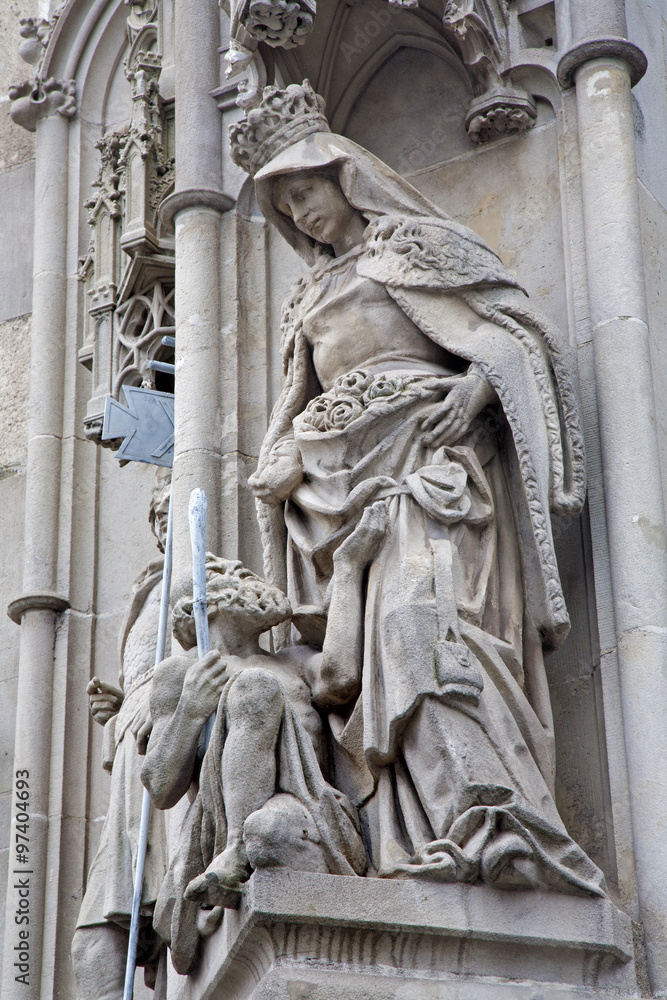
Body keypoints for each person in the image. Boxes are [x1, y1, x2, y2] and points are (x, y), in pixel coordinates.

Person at [228, 81, 606, 896]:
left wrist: (476, 391)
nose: (299, 214)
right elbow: (294, 399)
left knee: (419, 629)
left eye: (304, 191)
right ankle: (412, 837)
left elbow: (515, 335)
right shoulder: (306, 295)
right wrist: (283, 464)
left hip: (427, 467)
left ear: (342, 178)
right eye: (284, 206)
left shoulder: (412, 247)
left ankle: (497, 820)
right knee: (361, 662)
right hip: (336, 488)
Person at [142, 520, 382, 974]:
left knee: (268, 832)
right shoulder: (180, 676)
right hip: (218, 827)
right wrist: (192, 710)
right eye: (237, 573)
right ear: (206, 600)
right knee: (264, 831)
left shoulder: (293, 662)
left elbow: (343, 679)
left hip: (311, 808)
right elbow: (159, 787)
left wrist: (348, 568)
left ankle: (239, 849)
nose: (253, 579)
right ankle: (232, 847)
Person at [71, 469, 171, 999]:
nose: (165, 521)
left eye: (174, 508)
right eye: (158, 514)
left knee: (125, 902)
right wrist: (121, 704)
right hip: (133, 739)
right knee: (96, 928)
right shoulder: (149, 585)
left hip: (168, 741)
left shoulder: (203, 576)